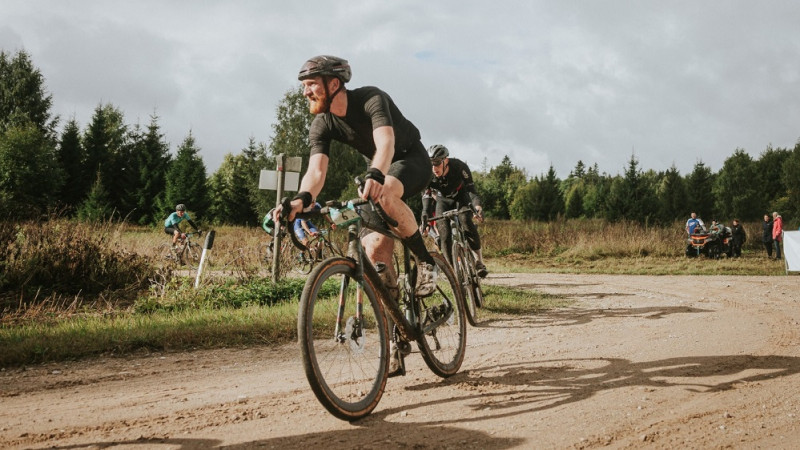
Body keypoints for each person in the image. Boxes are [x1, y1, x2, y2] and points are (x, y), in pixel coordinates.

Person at [274, 55, 438, 376]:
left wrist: (376, 173)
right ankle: (396, 334)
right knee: (375, 250)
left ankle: (426, 262)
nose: (305, 92)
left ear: (333, 84)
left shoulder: (371, 99)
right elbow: (316, 172)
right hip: (377, 170)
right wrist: (300, 200)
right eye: (304, 86)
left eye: (311, 85)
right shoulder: (322, 123)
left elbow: (386, 142)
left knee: (385, 189)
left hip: (410, 160)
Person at [420, 144, 487, 278]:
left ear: (446, 160)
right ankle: (453, 272)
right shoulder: (428, 174)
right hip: (443, 201)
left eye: (437, 163)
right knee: (443, 234)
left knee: (465, 221)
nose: (434, 168)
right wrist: (425, 218)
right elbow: (426, 199)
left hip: (461, 197)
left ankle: (479, 261)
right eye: (431, 164)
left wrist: (477, 206)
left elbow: (471, 190)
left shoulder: (459, 167)